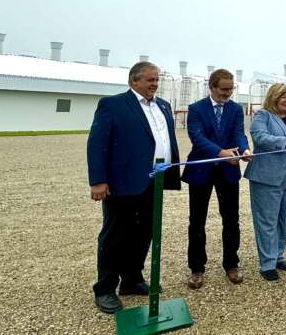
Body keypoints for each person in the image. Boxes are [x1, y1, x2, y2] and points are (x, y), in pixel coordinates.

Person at [87, 61, 181, 314]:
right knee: (116, 235)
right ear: (134, 81)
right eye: (150, 79)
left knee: (144, 233)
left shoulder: (163, 106)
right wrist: (98, 180)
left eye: (156, 79)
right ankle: (105, 288)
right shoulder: (113, 105)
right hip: (122, 182)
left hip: (154, 181)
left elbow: (164, 139)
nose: (155, 83)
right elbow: (97, 143)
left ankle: (131, 279)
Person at [180, 69, 252, 289]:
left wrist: (244, 149)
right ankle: (196, 269)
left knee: (231, 219)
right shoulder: (196, 109)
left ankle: (231, 264)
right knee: (197, 221)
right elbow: (198, 138)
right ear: (211, 87)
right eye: (223, 89)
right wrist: (221, 153)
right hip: (201, 170)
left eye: (231, 89)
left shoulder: (235, 109)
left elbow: (238, 133)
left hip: (228, 171)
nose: (228, 93)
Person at [245, 84, 286, 281]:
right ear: (273, 97)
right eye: (283, 97)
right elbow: (261, 137)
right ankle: (267, 263)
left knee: (284, 220)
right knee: (267, 222)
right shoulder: (262, 116)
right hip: (267, 178)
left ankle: (278, 255)